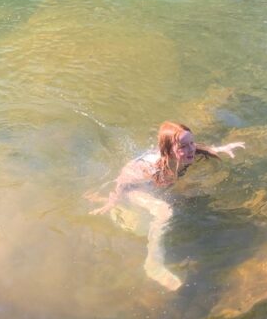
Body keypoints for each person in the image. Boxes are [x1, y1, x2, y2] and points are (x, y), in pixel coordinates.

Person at [90, 121, 246, 291]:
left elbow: (197, 147)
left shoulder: (186, 154)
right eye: (183, 146)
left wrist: (219, 149)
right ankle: (153, 263)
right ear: (168, 151)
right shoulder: (150, 167)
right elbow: (123, 181)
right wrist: (112, 200)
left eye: (191, 143)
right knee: (164, 211)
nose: (191, 149)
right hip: (133, 188)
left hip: (154, 184)